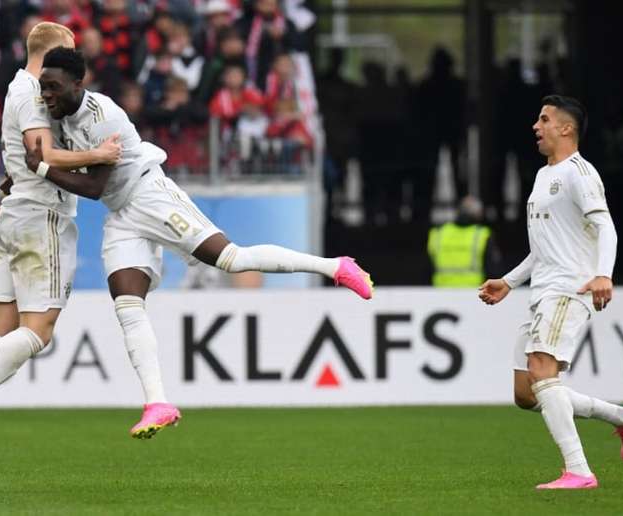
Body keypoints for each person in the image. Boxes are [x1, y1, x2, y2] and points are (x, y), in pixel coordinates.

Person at [23, 46, 373, 440]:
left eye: (53, 87)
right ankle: (158, 402)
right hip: (121, 214)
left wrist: (43, 168)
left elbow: (92, 185)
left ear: (77, 83)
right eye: (43, 87)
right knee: (126, 304)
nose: (46, 95)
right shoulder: (58, 117)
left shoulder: (106, 117)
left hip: (148, 194)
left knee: (231, 259)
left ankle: (335, 266)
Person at [0, 22, 122, 479]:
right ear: (54, 53)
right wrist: (101, 154)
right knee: (39, 330)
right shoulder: (32, 95)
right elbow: (43, 154)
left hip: (15, 213)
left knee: (1, 326)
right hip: (42, 217)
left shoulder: (15, 88)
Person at [478, 95, 623, 490]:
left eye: (544, 120)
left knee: (542, 370)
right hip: (543, 290)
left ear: (566, 128)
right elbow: (542, 248)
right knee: (527, 393)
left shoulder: (580, 173)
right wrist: (509, 281)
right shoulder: (543, 176)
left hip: (570, 289)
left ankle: (579, 471)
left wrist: (604, 274)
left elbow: (606, 226)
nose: (536, 126)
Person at [427, 196, 500, 287]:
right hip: (473, 293)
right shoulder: (482, 235)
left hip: (441, 292)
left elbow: (427, 267)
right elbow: (493, 270)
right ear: (478, 214)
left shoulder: (438, 233)